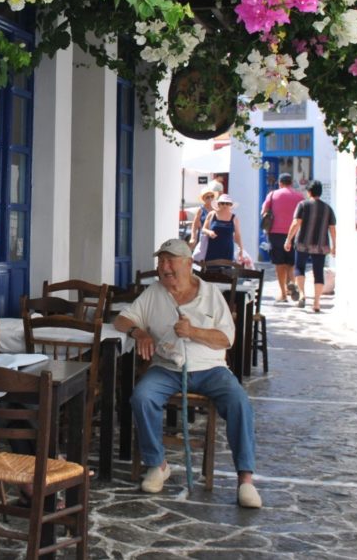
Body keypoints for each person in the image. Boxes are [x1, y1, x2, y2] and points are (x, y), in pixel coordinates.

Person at [114, 238, 262, 509]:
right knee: (142, 397)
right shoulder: (154, 292)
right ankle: (157, 464)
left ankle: (245, 478)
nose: (165, 267)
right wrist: (139, 331)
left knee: (239, 401)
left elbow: (226, 339)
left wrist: (194, 332)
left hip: (211, 368)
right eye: (161, 262)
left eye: (171, 261)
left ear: (189, 264)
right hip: (167, 367)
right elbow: (121, 319)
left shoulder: (210, 294)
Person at [284, 180, 336, 312]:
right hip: (321, 244)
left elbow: (296, 223)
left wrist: (288, 239)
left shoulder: (303, 205)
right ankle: (317, 303)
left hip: (303, 243)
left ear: (309, 192)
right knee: (318, 272)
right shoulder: (328, 208)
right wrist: (334, 245)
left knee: (299, 268)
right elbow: (332, 229)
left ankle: (302, 295)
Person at [261, 173, 304, 303]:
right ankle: (291, 283)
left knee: (279, 264)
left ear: (280, 183)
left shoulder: (273, 195)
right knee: (291, 262)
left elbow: (264, 212)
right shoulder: (299, 196)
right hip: (294, 233)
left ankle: (283, 294)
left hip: (275, 233)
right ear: (291, 183)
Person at [201, 193, 244, 263]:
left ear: (230, 205)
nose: (225, 205)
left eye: (227, 203)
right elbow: (203, 229)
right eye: (222, 203)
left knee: (226, 271)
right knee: (211, 271)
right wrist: (209, 232)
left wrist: (241, 249)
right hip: (212, 249)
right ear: (218, 204)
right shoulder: (212, 214)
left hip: (227, 250)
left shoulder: (234, 218)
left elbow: (237, 235)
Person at [189, 187, 218, 258]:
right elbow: (194, 225)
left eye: (212, 196)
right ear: (203, 199)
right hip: (204, 237)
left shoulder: (217, 208)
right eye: (207, 197)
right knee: (200, 257)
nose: (210, 198)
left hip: (215, 236)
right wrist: (193, 238)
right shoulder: (201, 209)